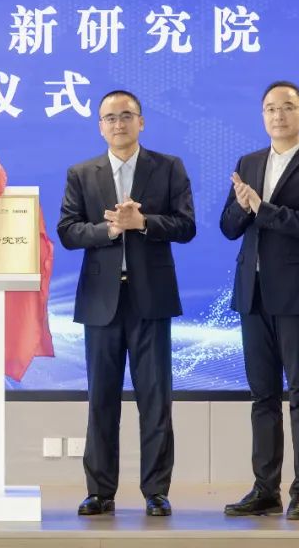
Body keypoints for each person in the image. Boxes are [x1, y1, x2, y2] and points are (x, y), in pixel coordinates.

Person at [57, 90, 196, 517]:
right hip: (101, 301)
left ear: (141, 122)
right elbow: (68, 231)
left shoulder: (168, 167)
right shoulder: (82, 173)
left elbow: (186, 226)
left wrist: (143, 222)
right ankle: (100, 491)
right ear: (100, 126)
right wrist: (110, 231)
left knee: (156, 399)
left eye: (126, 116)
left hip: (150, 299)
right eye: (110, 118)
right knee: (101, 400)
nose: (118, 124)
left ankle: (156, 490)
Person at [220, 81, 299, 521]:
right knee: (263, 397)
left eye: (287, 107)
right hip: (252, 295)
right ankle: (265, 489)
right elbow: (229, 227)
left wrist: (262, 207)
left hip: (297, 295)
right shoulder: (248, 163)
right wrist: (242, 206)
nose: (278, 115)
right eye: (270, 108)